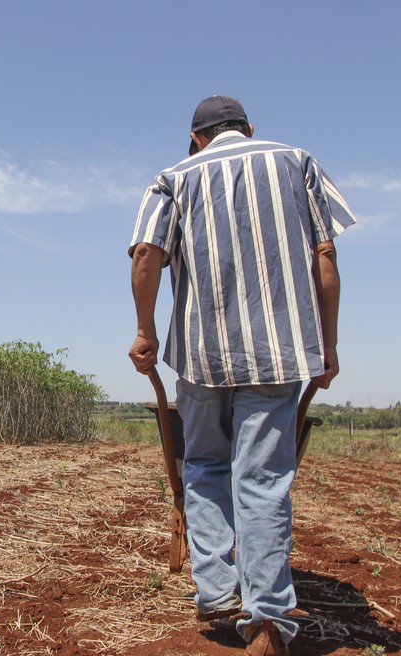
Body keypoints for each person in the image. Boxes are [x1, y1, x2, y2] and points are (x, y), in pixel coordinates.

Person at [127, 95, 356, 656]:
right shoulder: (297, 160)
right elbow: (325, 258)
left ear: (197, 138)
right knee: (262, 480)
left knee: (204, 466)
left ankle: (218, 592)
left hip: (201, 357)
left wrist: (145, 332)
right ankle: (270, 616)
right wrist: (327, 345)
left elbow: (145, 255)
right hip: (278, 355)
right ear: (249, 130)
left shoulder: (171, 177)